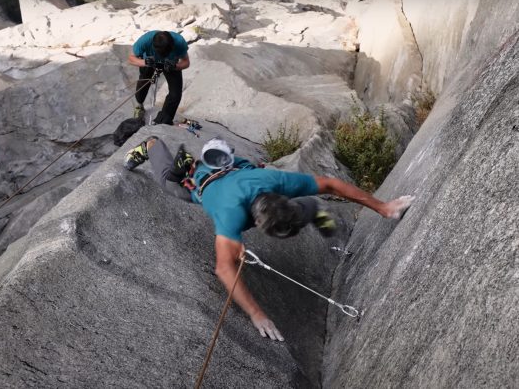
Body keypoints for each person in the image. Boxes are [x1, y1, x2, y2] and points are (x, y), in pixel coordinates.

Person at [124, 136, 415, 341]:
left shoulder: (277, 182)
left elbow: (330, 183)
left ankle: (312, 211)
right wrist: (257, 314)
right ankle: (153, 145)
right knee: (170, 184)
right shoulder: (231, 215)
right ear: (255, 222)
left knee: (301, 208)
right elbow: (223, 268)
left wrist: (383, 207)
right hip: (211, 183)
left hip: (237, 170)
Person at [128, 31, 190, 125]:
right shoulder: (145, 40)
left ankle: (164, 119)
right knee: (143, 83)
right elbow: (131, 58)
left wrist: (176, 66)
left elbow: (186, 62)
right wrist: (144, 62)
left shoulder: (179, 42)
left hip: (170, 64)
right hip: (149, 61)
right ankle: (139, 105)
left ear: (172, 46)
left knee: (175, 93)